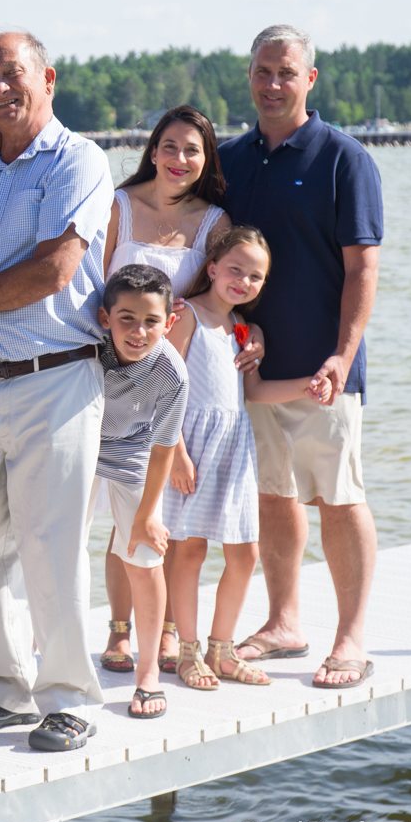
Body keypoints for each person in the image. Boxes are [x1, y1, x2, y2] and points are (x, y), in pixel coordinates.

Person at [0, 31, 112, 753]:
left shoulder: (78, 160)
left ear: (48, 78)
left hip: (56, 376)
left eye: (13, 75)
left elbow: (55, 268)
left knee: (53, 543)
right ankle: (5, 689)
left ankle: (70, 697)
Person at [219, 25, 383, 690]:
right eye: (263, 71)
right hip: (252, 371)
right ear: (250, 76)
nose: (272, 83)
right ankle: (284, 620)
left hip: (324, 371)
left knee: (340, 497)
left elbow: (363, 269)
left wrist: (343, 356)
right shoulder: (230, 160)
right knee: (273, 494)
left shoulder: (344, 159)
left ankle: (350, 637)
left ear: (309, 79)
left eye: (286, 72)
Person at [164, 227, 332, 693]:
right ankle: (188, 651)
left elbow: (254, 392)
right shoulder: (187, 316)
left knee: (245, 552)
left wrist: (308, 387)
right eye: (235, 269)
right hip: (191, 445)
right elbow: (167, 387)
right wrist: (175, 451)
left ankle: (222, 649)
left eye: (255, 276)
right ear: (213, 267)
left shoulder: (244, 329)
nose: (243, 281)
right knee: (191, 548)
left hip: (234, 446)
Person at [97, 104, 231, 679]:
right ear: (153, 150)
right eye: (171, 147)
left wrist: (255, 339)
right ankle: (119, 630)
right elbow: (92, 290)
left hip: (184, 373)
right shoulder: (118, 207)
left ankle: (172, 628)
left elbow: (227, 296)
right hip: (112, 369)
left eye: (193, 150)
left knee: (172, 509)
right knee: (119, 512)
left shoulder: (214, 222)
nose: (180, 159)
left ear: (206, 161)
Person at [92, 265, 189, 719]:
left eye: (151, 321)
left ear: (168, 323)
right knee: (58, 547)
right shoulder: (87, 349)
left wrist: (149, 515)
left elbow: (164, 447)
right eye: (126, 318)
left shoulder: (172, 373)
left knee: (145, 555)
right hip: (82, 445)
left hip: (133, 451)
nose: (138, 331)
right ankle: (46, 664)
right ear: (104, 317)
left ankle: (147, 673)